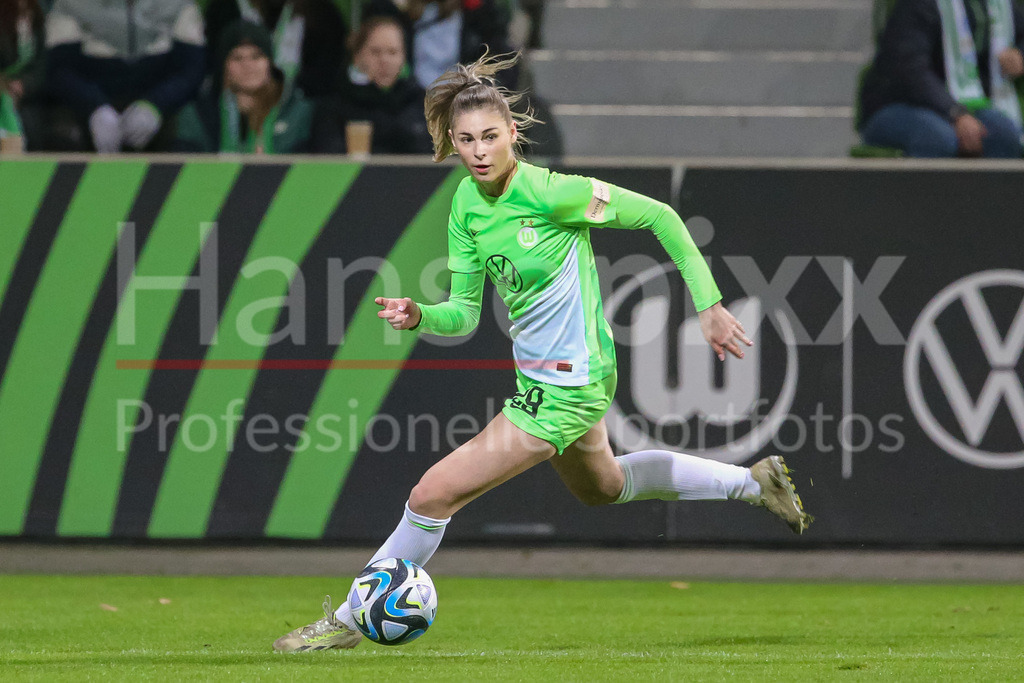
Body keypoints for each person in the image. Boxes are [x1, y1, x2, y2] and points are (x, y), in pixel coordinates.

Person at [272, 51, 813, 653]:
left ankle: (350, 619)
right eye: (466, 139)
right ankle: (752, 482)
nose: (479, 151)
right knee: (601, 487)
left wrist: (709, 305)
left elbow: (660, 217)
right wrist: (421, 313)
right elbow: (464, 313)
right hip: (544, 381)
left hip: (570, 385)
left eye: (490, 137)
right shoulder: (465, 206)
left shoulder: (552, 193)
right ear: (452, 140)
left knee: (432, 495)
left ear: (513, 135)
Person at [859, 0, 1024, 158]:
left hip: (966, 103)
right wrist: (955, 112)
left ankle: (984, 188)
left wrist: (1019, 55)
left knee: (1004, 135)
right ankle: (925, 188)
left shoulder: (994, 3)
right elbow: (909, 70)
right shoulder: (918, 4)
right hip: (899, 104)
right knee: (938, 138)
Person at [44, 0, 206, 153]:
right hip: (90, 104)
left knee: (188, 131)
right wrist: (94, 108)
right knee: (61, 135)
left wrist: (155, 105)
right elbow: (58, 70)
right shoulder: (70, 4)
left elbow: (192, 69)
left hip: (159, 104)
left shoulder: (179, 4)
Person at [174, 20, 314, 154]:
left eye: (256, 57)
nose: (248, 66)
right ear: (224, 66)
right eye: (237, 58)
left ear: (270, 63)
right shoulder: (197, 115)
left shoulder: (298, 112)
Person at [310, 15, 431, 154]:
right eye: (375, 52)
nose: (384, 60)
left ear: (404, 57)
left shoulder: (423, 103)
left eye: (392, 52)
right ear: (357, 57)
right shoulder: (334, 106)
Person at [203, 0, 347, 99]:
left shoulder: (321, 14)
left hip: (301, 103)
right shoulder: (223, 10)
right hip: (236, 102)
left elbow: (329, 73)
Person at [0, 0, 45, 153]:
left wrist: (24, 84)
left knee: (31, 124)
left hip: (22, 93)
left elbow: (40, 64)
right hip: (3, 90)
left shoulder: (36, 15)